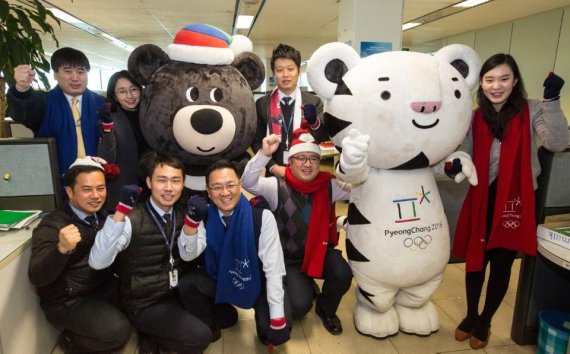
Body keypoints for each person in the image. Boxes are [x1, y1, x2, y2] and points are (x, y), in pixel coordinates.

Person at [450, 54, 568, 349]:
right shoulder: (476, 116)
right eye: (489, 79)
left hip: (514, 199)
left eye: (504, 78)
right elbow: (463, 150)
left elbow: (557, 142)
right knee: (476, 262)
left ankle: (485, 320)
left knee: (501, 265)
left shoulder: (533, 110)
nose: (496, 86)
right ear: (482, 83)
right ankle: (470, 314)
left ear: (515, 81)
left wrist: (552, 100)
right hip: (481, 197)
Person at [89, 152, 212, 353]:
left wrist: (192, 224)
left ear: (183, 184)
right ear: (148, 182)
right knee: (200, 337)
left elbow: (190, 255)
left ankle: (154, 333)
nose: (169, 188)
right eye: (161, 180)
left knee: (224, 318)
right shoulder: (131, 218)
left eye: (175, 181)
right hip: (143, 303)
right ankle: (150, 335)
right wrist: (120, 211)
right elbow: (97, 262)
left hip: (175, 294)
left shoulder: (187, 214)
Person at [242, 127, 352, 335]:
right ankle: (305, 283)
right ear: (290, 162)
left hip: (319, 250)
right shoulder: (276, 186)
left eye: (313, 158)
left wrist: (352, 164)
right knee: (300, 307)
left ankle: (326, 309)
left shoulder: (329, 185)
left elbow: (357, 187)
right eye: (301, 158)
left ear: (320, 162)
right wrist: (264, 155)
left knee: (342, 273)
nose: (307, 164)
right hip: (289, 259)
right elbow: (248, 182)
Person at [177, 160, 291, 347]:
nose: (225, 193)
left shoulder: (262, 217)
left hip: (257, 281)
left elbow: (274, 270)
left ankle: (265, 319)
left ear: (240, 184)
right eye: (216, 187)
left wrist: (277, 319)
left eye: (230, 185)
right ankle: (211, 325)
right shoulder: (203, 215)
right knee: (189, 285)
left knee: (271, 333)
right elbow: (187, 255)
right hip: (220, 276)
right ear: (208, 190)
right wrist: (191, 222)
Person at [28, 156, 131, 353]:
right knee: (117, 331)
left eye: (100, 188)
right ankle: (71, 341)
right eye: (87, 189)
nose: (96, 195)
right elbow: (37, 276)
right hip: (69, 301)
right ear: (69, 192)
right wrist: (61, 249)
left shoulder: (101, 215)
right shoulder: (53, 224)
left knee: (140, 303)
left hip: (100, 288)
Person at [7, 47, 112, 176]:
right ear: (55, 75)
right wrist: (22, 88)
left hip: (97, 181)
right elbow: (21, 112)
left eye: (80, 72)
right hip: (56, 179)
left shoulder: (100, 104)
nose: (75, 78)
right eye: (67, 71)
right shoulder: (45, 102)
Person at [251, 43, 328, 177]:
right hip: (274, 174)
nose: (285, 74)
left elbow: (323, 137)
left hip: (306, 172)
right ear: (274, 73)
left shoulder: (313, 102)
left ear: (298, 71)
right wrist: (273, 167)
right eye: (280, 70)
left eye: (290, 69)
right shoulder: (263, 104)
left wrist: (314, 123)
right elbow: (256, 141)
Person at [99, 70, 149, 212]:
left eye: (134, 89)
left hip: (152, 187)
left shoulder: (150, 114)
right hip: (125, 189)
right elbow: (106, 158)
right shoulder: (110, 118)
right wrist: (107, 129)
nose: (130, 96)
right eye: (122, 91)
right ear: (114, 95)